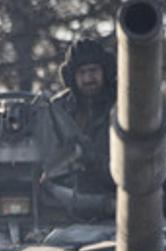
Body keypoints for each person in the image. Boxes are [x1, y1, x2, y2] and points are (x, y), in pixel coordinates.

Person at [48, 36, 117, 194]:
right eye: (81, 72)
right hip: (65, 196)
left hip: (115, 195)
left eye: (93, 71)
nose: (88, 79)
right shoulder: (59, 109)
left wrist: (91, 159)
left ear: (105, 71)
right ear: (72, 76)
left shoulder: (123, 105)